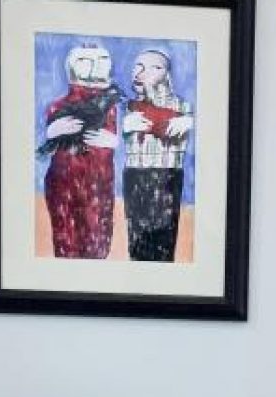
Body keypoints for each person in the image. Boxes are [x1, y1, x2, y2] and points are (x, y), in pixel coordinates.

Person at [40, 43, 123, 259]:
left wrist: (113, 142)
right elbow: (48, 147)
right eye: (86, 60)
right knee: (66, 237)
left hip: (99, 184)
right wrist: (52, 132)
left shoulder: (111, 108)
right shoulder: (56, 107)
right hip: (64, 182)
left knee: (97, 238)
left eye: (102, 59)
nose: (96, 64)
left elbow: (113, 141)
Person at [121, 49, 194, 262]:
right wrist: (123, 126)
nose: (141, 72)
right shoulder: (127, 107)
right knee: (137, 241)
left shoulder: (183, 107)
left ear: (166, 75)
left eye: (155, 67)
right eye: (138, 66)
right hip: (135, 175)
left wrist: (189, 122)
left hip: (169, 175)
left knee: (164, 239)